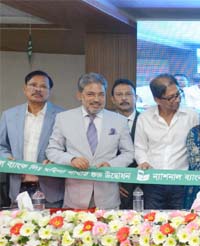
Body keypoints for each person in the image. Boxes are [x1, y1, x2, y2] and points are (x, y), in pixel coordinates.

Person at [46, 73, 134, 209]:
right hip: (75, 197)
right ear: (79, 96)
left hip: (108, 197)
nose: (96, 99)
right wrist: (71, 159)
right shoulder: (63, 118)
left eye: (101, 94)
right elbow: (52, 150)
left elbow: (128, 153)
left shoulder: (119, 121)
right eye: (90, 94)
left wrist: (111, 164)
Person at [135, 73, 200, 210]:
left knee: (182, 223)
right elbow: (140, 147)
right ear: (157, 99)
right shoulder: (144, 118)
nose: (177, 100)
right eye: (171, 98)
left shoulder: (192, 116)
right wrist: (143, 162)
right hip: (153, 181)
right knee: (151, 222)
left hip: (181, 182)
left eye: (178, 94)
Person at [0, 70, 64, 207]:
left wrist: (57, 159)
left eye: (43, 86)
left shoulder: (63, 116)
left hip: (50, 188)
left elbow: (69, 148)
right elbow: (1, 145)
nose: (38, 89)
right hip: (18, 186)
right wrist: (7, 157)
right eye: (33, 85)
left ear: (50, 91)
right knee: (18, 227)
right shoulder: (9, 115)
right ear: (25, 89)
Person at [111, 78, 141, 209]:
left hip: (145, 181)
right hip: (116, 181)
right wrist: (112, 184)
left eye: (128, 94)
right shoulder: (106, 121)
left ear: (136, 97)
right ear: (112, 99)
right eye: (119, 95)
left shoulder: (147, 120)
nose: (124, 98)